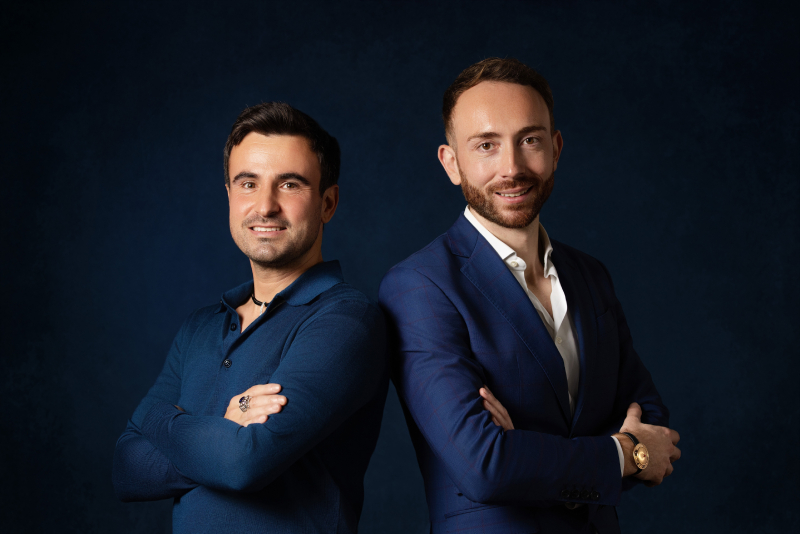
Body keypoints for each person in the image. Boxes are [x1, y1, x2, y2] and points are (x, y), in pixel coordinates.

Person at [378, 58, 681, 534]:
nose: (512, 168)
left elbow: (652, 420)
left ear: (555, 149)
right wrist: (626, 453)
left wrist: (529, 453)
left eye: (530, 140)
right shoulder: (418, 286)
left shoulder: (590, 276)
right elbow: (485, 464)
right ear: (451, 163)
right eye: (486, 145)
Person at [113, 102, 388, 534]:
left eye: (290, 184)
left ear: (328, 203)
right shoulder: (200, 327)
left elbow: (243, 462)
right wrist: (224, 427)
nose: (265, 206)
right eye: (248, 183)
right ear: (229, 196)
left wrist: (158, 418)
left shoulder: (347, 321)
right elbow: (127, 468)